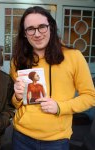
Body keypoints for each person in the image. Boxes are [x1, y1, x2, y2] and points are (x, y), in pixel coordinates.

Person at [9, 6, 95, 150]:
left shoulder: (73, 57)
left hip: (56, 140)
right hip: (21, 136)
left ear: (51, 27)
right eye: (30, 29)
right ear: (24, 34)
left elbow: (90, 96)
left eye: (42, 27)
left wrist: (60, 107)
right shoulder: (18, 61)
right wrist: (17, 96)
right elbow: (17, 103)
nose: (37, 34)